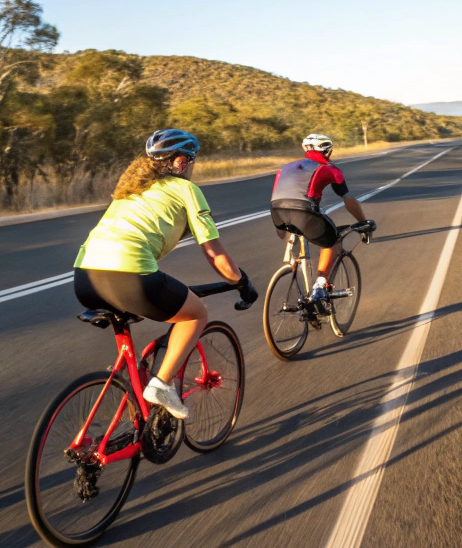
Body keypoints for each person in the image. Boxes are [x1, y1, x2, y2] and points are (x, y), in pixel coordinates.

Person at [73, 129, 252, 420]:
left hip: (84, 277)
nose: (190, 166)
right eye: (190, 160)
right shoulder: (186, 190)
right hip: (130, 276)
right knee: (196, 314)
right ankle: (161, 384)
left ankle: (133, 388)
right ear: (181, 163)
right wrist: (240, 281)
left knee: (152, 304)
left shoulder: (128, 192)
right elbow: (215, 253)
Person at [269, 133, 374, 306]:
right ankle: (320, 285)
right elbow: (348, 200)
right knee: (332, 241)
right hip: (303, 213)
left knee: (296, 236)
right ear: (327, 151)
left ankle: (294, 269)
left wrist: (281, 229)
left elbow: (277, 197)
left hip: (277, 212)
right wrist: (363, 222)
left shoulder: (285, 168)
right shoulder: (329, 168)